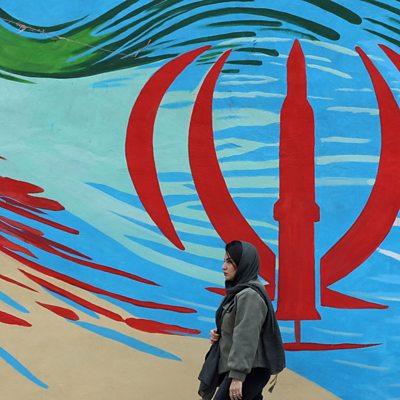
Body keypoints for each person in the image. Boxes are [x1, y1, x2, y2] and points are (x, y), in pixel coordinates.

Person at [198, 240, 285, 400]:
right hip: (247, 369)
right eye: (224, 261)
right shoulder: (238, 293)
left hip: (249, 371)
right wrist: (221, 332)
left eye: (230, 262)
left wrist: (238, 377)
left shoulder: (249, 295)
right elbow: (239, 327)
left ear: (244, 264)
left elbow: (246, 336)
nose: (223, 267)